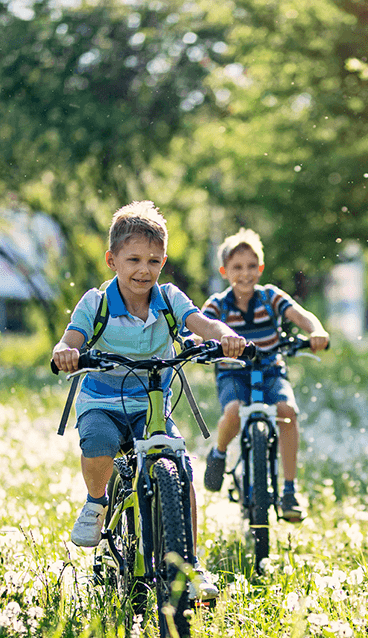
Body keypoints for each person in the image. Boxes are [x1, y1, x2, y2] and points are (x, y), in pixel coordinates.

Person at [51, 200, 248, 602]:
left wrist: (223, 336)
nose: (144, 270)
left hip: (152, 401)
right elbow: (72, 337)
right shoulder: (96, 302)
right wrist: (65, 350)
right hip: (102, 400)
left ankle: (189, 561)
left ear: (163, 263)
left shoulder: (169, 298)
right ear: (112, 260)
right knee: (99, 444)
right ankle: (96, 501)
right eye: (134, 259)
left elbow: (202, 323)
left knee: (179, 466)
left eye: (154, 261)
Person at [200, 229, 329, 521]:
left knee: (287, 412)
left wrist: (316, 331)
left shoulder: (270, 297)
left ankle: (289, 488)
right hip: (233, 373)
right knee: (233, 411)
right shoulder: (218, 304)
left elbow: (299, 314)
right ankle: (219, 453)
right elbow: (199, 326)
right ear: (224, 271)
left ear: (260, 268)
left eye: (250, 266)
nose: (245, 274)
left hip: (270, 370)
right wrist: (196, 343)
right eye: (237, 267)